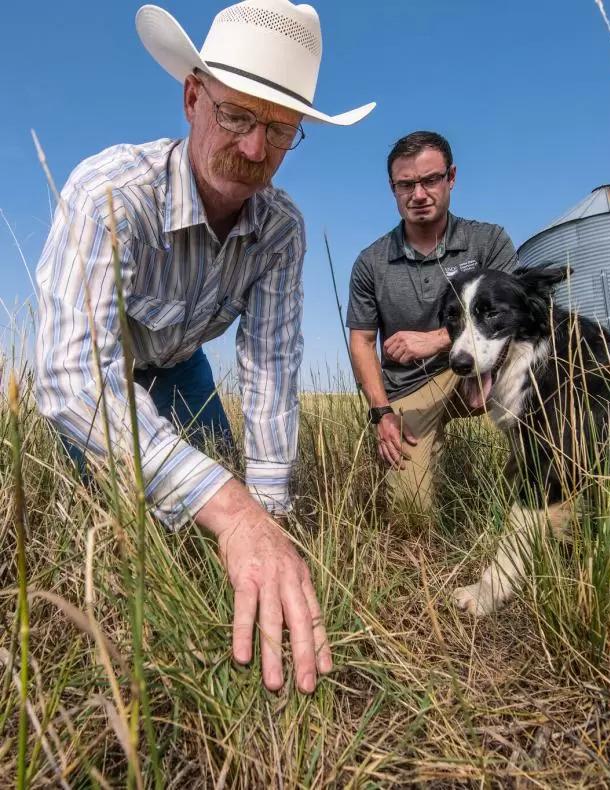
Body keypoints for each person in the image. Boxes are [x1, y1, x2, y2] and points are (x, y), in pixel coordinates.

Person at [35, 0, 374, 693]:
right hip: (112, 376)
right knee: (135, 519)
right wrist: (232, 511)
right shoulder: (113, 192)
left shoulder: (282, 231)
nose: (254, 151)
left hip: (182, 365)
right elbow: (71, 376)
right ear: (193, 96)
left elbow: (273, 369)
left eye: (279, 130)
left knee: (231, 500)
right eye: (237, 116)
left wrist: (270, 519)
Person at [346, 131, 518, 511]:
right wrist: (381, 412)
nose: (419, 194)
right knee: (411, 506)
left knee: (545, 353)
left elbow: (515, 314)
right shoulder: (370, 262)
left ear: (451, 177)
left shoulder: (488, 241)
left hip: (486, 366)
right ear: (393, 188)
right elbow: (360, 342)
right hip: (413, 384)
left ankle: (532, 477)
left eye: (430, 180)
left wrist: (441, 339)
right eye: (406, 184)